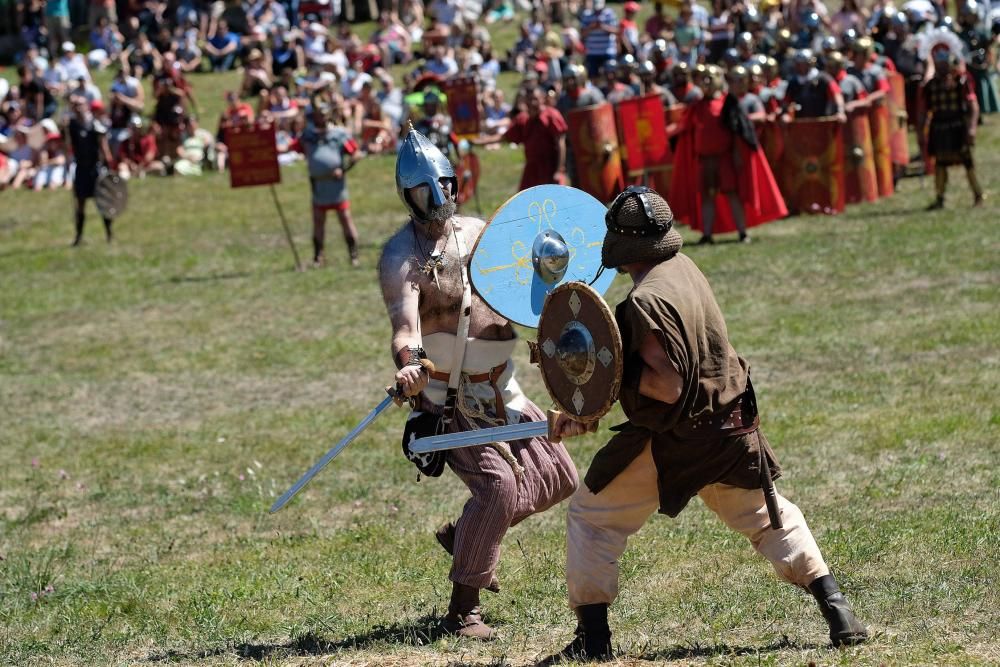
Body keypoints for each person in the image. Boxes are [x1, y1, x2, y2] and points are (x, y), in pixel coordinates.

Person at [544, 186, 869, 662]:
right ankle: (837, 608)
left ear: (622, 244)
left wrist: (602, 384)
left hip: (679, 440)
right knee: (768, 516)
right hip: (733, 429)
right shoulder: (683, 269)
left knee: (593, 514)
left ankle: (594, 639)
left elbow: (668, 385)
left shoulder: (643, 301)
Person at [377, 129, 578, 640]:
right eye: (425, 192)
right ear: (408, 196)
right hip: (450, 397)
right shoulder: (400, 255)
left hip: (501, 386)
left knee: (559, 476)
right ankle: (463, 609)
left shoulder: (484, 232)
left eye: (443, 185)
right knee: (498, 488)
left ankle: (467, 537)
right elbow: (406, 326)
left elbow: (527, 292)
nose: (438, 199)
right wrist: (410, 364)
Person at [920, 48, 983, 209]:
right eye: (939, 62)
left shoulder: (961, 81)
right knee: (940, 164)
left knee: (968, 163)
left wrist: (972, 128)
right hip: (939, 127)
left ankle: (978, 194)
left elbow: (973, 106)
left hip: (958, 127)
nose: (942, 65)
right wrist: (921, 132)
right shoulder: (931, 85)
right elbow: (924, 111)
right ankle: (940, 198)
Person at [301, 101, 360, 267]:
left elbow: (355, 153)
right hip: (318, 185)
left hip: (336, 185)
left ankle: (353, 254)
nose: (321, 117)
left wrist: (343, 168)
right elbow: (294, 147)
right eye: (318, 114)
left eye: (323, 114)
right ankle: (318, 257)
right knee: (318, 220)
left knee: (345, 218)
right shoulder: (308, 135)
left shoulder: (338, 134)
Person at [474, 87, 568, 190]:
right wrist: (479, 141)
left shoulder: (551, 115)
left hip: (551, 168)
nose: (532, 103)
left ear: (542, 99)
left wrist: (559, 170)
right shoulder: (523, 120)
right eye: (529, 100)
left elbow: (561, 143)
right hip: (532, 171)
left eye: (535, 99)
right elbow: (503, 137)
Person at [68, 97, 115, 246]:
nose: (77, 107)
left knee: (102, 202)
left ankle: (109, 234)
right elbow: (68, 145)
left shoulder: (95, 124)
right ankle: (79, 236)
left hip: (95, 167)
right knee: (80, 204)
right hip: (81, 168)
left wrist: (109, 165)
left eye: (80, 104)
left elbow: (104, 146)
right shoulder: (72, 125)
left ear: (86, 106)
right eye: (75, 105)